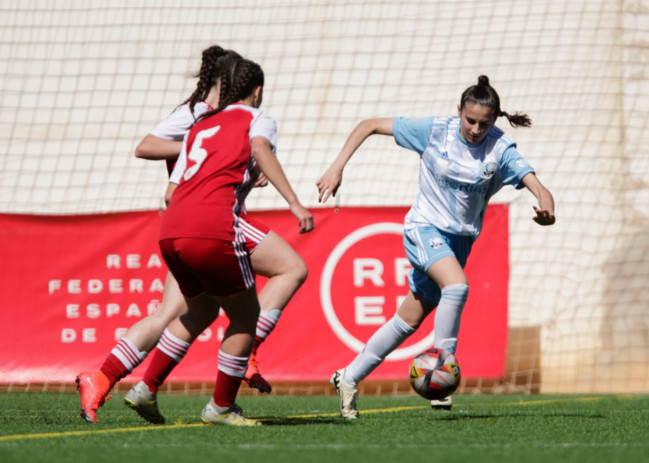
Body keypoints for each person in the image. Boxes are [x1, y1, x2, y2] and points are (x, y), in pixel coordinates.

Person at [76, 46, 301, 424]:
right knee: (291, 269)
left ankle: (116, 382)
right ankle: (245, 354)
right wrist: (209, 148)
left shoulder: (214, 118)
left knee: (192, 312)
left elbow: (209, 170)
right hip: (216, 222)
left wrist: (245, 171)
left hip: (181, 222)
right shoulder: (198, 114)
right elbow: (146, 146)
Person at [316, 75, 555, 419]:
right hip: (423, 228)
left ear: (494, 120)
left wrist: (548, 208)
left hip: (458, 242)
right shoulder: (434, 131)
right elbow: (368, 125)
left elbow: (539, 187)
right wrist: (337, 166)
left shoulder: (500, 150)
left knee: (410, 318)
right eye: (469, 120)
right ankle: (444, 368)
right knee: (456, 286)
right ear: (458, 111)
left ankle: (349, 378)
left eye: (484, 123)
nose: (475, 129)